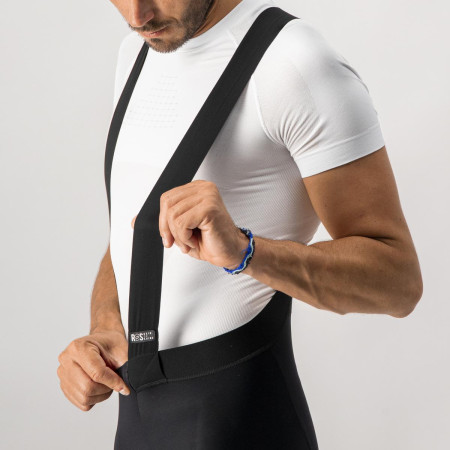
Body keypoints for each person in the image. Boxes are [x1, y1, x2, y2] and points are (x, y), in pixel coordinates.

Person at [57, 0, 423, 444]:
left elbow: (398, 281)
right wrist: (105, 327)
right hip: (138, 421)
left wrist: (246, 251)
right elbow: (131, 234)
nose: (138, 17)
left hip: (245, 422)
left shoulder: (295, 63)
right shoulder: (135, 54)